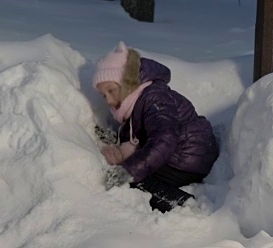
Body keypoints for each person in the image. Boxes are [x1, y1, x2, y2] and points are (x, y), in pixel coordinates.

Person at [93, 41, 219, 213]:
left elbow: (165, 138)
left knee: (134, 179)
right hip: (177, 153)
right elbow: (139, 133)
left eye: (111, 90)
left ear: (128, 82)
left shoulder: (154, 97)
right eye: (103, 95)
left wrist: (128, 170)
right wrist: (117, 144)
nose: (108, 100)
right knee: (133, 169)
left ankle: (182, 204)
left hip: (190, 156)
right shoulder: (133, 100)